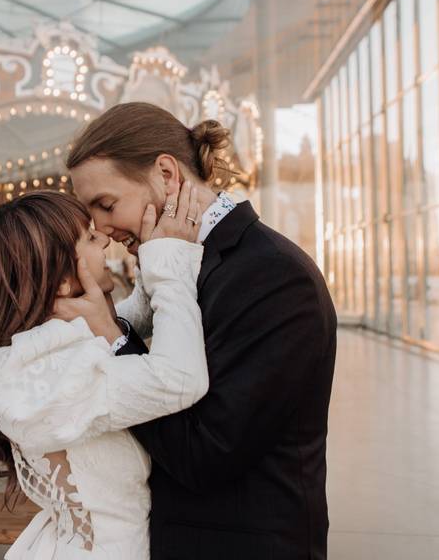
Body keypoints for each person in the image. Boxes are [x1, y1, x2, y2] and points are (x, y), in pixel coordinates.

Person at [64, 102, 338, 559]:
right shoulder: (177, 264)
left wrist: (114, 340)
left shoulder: (271, 275)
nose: (103, 230)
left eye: (106, 205)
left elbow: (206, 451)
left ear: (167, 175)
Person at [0, 187, 208, 559]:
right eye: (90, 238)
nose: (105, 239)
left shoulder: (41, 349)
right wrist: (170, 269)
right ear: (62, 281)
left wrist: (150, 252)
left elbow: (111, 330)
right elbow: (180, 379)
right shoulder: (54, 369)